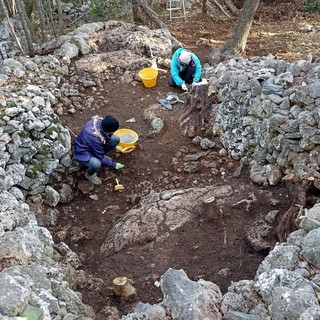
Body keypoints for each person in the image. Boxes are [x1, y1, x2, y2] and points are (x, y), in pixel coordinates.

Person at [73, 115, 125, 185]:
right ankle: (89, 175)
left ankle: (100, 155)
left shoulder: (99, 123)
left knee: (115, 139)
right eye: (111, 131)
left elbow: (105, 137)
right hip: (82, 153)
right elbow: (99, 157)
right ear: (107, 130)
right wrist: (114, 165)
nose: (112, 133)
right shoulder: (94, 138)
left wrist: (115, 146)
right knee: (97, 164)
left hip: (93, 147)